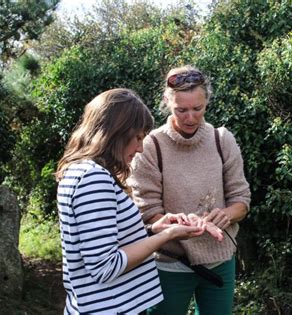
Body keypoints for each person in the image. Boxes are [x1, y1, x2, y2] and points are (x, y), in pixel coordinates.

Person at [55, 88, 206, 314]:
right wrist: (168, 236)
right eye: (137, 138)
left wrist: (154, 229)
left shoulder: (79, 172)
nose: (140, 148)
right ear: (115, 133)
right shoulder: (93, 178)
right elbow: (106, 267)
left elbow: (105, 242)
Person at [128, 65, 251, 315]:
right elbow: (147, 212)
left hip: (220, 261)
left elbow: (242, 199)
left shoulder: (222, 139)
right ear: (166, 101)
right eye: (181, 110)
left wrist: (227, 214)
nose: (190, 118)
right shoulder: (151, 146)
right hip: (169, 264)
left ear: (207, 101)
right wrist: (176, 227)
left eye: (198, 109)